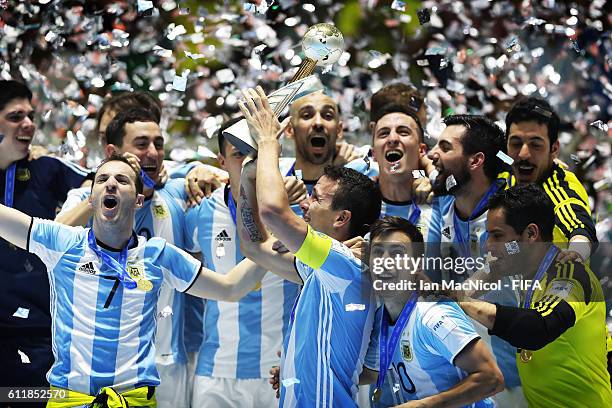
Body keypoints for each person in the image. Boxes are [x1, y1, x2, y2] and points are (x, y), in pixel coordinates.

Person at [0, 154, 269, 407]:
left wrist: (283, 237)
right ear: (91, 199)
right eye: (102, 180)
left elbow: (231, 288)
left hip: (134, 401)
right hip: (70, 400)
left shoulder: (157, 254)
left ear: (139, 201)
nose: (111, 185)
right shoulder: (63, 243)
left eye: (122, 180)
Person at [237, 86, 382, 407]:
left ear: (342, 218)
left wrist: (267, 140)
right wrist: (248, 172)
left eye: (316, 199)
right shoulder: (320, 267)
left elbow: (273, 213)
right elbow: (253, 247)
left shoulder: (344, 263)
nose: (305, 204)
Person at [56, 108, 193, 408]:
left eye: (159, 144)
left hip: (169, 362)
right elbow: (56, 238)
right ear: (113, 152)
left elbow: (221, 171)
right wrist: (103, 191)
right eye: (142, 145)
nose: (154, 153)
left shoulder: (178, 191)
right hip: (108, 373)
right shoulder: (83, 198)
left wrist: (202, 171)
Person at [458, 184, 612, 407]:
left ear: (531, 234)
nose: (489, 246)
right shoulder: (524, 267)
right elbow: (489, 271)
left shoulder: (570, 275)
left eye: (497, 236)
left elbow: (538, 328)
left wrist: (460, 301)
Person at [184, 118, 302, 407]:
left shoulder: (297, 213)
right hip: (216, 373)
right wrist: (191, 169)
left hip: (281, 369)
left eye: (256, 154)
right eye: (239, 154)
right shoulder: (200, 213)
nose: (250, 162)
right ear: (222, 162)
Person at [425, 114, 525, 406]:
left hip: (508, 379)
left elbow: (492, 271)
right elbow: (429, 276)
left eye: (445, 147)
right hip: (459, 374)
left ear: (475, 161)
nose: (434, 153)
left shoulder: (511, 214)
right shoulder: (444, 203)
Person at [0, 80, 89, 395]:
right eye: (15, 117)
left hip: (38, 335)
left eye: (30, 116)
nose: (28, 124)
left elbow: (103, 182)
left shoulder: (47, 169)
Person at [363, 216, 504, 407]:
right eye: (378, 253)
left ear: (418, 265)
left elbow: (492, 379)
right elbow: (372, 371)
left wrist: (423, 405)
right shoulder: (381, 318)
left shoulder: (434, 315)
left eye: (397, 253)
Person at [504, 97, 597, 262]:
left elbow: (580, 227)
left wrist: (577, 252)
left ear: (554, 149)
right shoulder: (507, 166)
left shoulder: (560, 189)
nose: (523, 154)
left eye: (536, 145)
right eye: (516, 143)